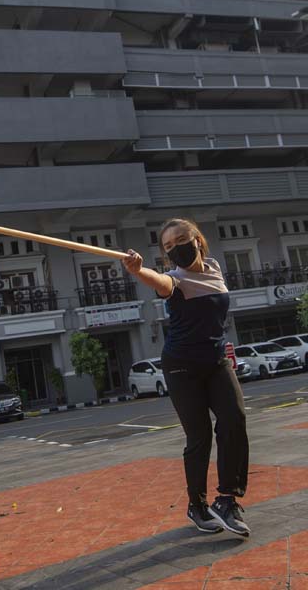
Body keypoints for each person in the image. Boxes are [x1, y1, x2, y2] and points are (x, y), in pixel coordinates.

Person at [122, 218, 250, 537]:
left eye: (181, 239)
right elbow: (158, 282)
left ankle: (226, 500)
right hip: (181, 367)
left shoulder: (215, 267)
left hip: (217, 360)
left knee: (234, 419)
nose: (176, 247)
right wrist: (138, 270)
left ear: (196, 239)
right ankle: (196, 505)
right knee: (200, 436)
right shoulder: (173, 281)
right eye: (168, 246)